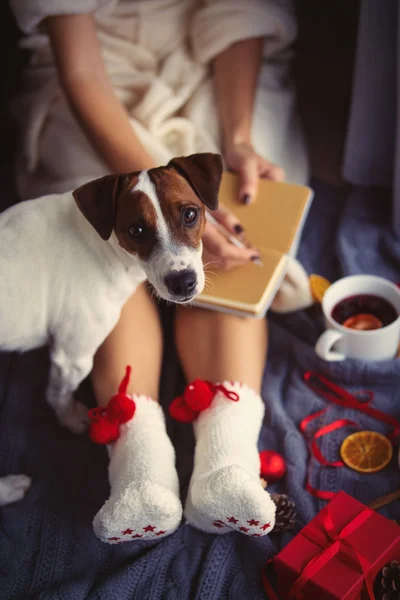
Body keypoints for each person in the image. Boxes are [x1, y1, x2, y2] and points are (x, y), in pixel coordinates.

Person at [9, 0, 309, 542]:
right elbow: (80, 70)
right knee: (95, 264)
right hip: (94, 82)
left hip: (217, 69)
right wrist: (156, 188)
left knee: (240, 242)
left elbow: (243, 13)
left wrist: (237, 137)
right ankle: (140, 465)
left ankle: (227, 463)